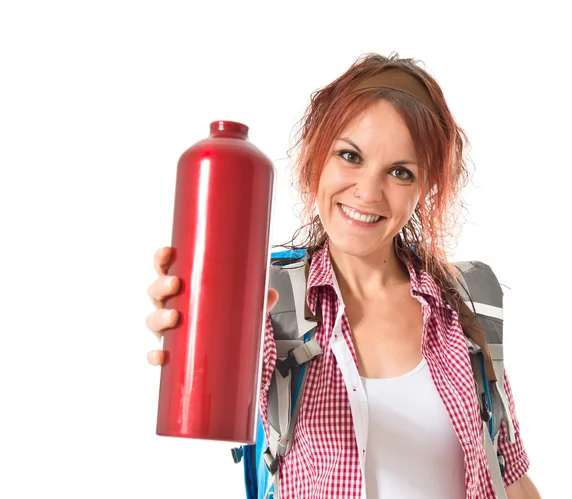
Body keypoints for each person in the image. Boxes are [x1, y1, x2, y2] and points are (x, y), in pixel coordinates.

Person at [145, 53, 541, 499]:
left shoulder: (465, 299)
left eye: (399, 172)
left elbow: (510, 477)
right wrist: (190, 329)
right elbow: (214, 382)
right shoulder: (268, 299)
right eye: (350, 156)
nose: (368, 192)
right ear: (319, 155)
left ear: (425, 186)